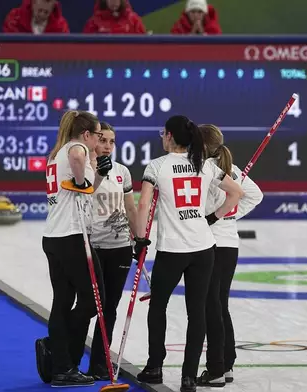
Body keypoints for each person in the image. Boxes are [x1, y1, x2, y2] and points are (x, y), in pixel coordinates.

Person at [134, 115, 244, 392]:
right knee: (198, 314)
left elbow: (144, 203)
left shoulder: (157, 166)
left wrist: (139, 239)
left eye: (163, 133)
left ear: (169, 136)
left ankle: (154, 367)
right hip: (203, 248)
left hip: (172, 249)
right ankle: (188, 378)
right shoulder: (205, 165)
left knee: (158, 306)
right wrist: (211, 218)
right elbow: (236, 193)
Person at [36, 110, 112, 387]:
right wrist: (81, 179)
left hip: (53, 236)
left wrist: (89, 178)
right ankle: (62, 350)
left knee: (63, 302)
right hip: (71, 236)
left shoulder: (56, 153)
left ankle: (61, 367)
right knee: (96, 301)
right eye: (98, 137)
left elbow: (85, 192)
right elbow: (79, 161)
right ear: (87, 134)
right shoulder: (76, 147)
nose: (99, 143)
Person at [196, 124, 263, 387]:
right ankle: (227, 363)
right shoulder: (231, 170)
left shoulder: (208, 170)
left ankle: (217, 369)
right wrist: (230, 214)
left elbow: (254, 196)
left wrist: (219, 216)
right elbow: (253, 196)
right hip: (228, 245)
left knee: (212, 306)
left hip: (212, 243)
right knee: (219, 304)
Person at [87, 122, 139, 380]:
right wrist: (96, 173)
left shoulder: (122, 172)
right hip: (93, 246)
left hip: (119, 248)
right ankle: (69, 359)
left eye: (111, 142)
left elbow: (130, 208)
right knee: (89, 305)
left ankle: (98, 362)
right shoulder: (84, 168)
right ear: (93, 141)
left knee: (110, 308)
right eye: (103, 140)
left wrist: (139, 239)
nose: (107, 146)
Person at [3, 0, 69, 34]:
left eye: (46, 12)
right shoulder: (14, 19)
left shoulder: (61, 26)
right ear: (33, 3)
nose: (42, 14)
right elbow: (10, 48)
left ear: (52, 8)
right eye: (39, 10)